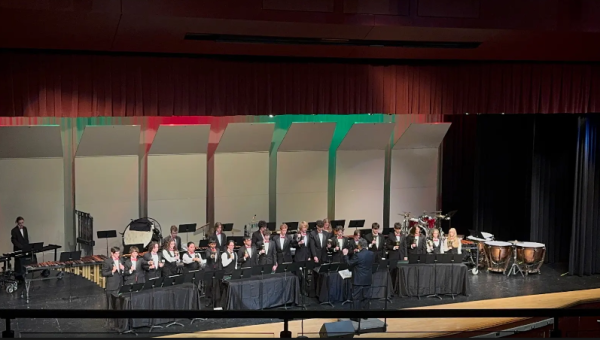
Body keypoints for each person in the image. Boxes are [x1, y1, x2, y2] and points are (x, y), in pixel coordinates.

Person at [343, 239, 375, 317]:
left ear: (359, 246)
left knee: (356, 298)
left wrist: (345, 255)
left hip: (358, 280)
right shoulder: (371, 254)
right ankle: (365, 316)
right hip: (367, 279)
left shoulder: (358, 255)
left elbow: (349, 264)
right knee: (366, 297)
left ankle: (356, 317)